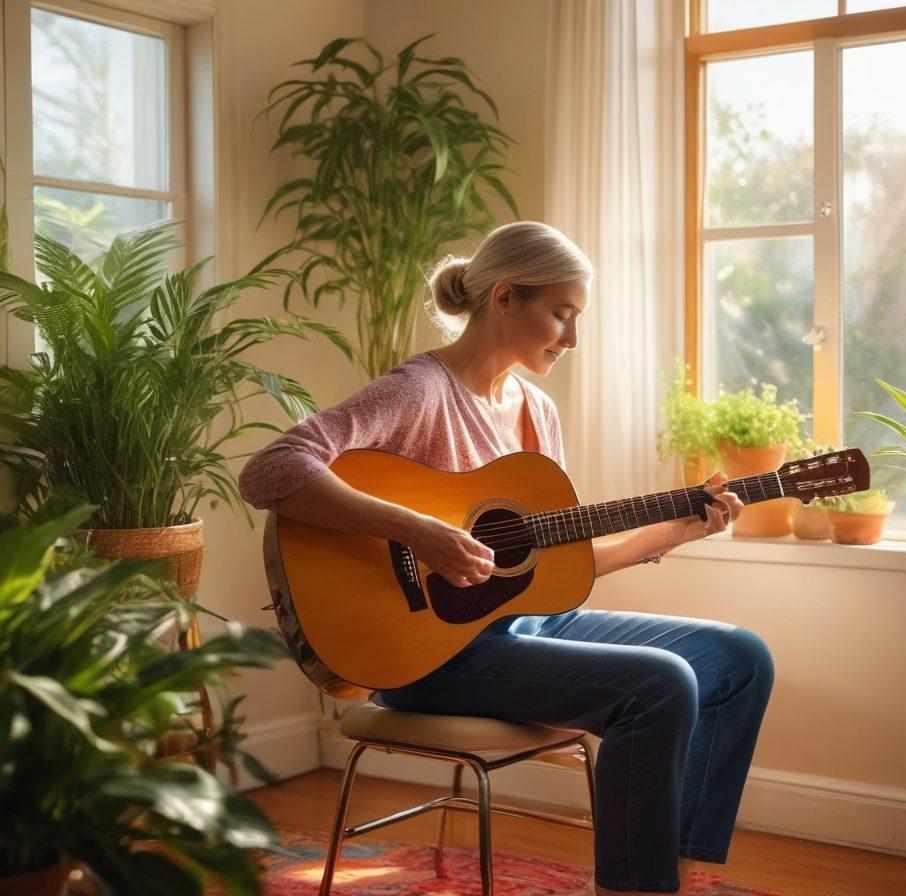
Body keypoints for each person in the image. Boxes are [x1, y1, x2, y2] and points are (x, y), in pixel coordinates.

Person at [238, 221, 775, 895]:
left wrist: (676, 530)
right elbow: (270, 470)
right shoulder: (421, 391)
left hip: (526, 631)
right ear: (502, 299)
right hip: (428, 659)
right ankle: (634, 888)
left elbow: (555, 569)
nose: (572, 338)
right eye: (561, 314)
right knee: (660, 685)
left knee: (740, 659)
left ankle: (674, 872)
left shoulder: (537, 412)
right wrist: (417, 531)